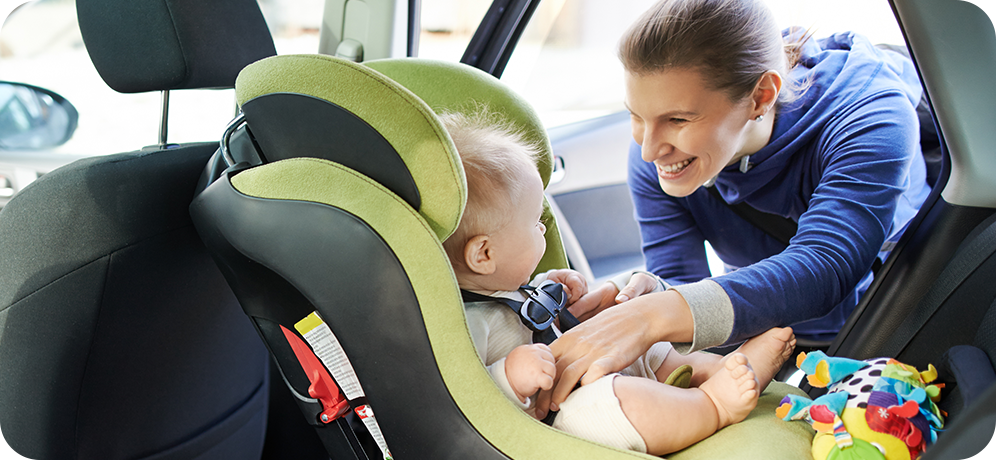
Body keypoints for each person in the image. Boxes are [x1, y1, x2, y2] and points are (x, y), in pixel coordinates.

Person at [541, 0, 932, 415]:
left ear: (761, 96)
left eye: (678, 120)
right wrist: (649, 297)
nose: (649, 148)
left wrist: (651, 318)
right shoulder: (657, 156)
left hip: (888, 322)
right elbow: (682, 283)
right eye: (636, 115)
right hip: (767, 333)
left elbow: (826, 264)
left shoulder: (870, 115)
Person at [438, 108, 796, 455]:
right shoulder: (467, 322)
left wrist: (556, 286)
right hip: (558, 414)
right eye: (534, 223)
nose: (543, 227)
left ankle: (716, 369)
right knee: (612, 403)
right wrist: (509, 377)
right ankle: (713, 404)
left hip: (586, 368)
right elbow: (462, 401)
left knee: (647, 348)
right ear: (484, 255)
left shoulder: (508, 285)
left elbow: (530, 310)